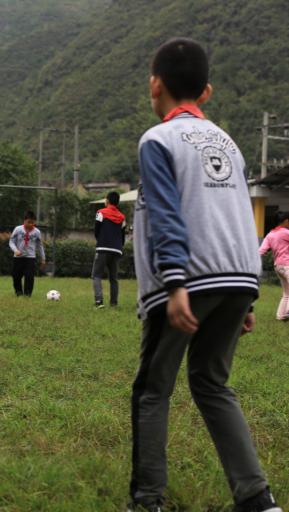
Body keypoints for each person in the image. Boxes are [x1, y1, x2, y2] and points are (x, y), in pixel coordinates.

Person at [128, 38, 280, 512]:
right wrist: (247, 298)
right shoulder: (227, 142)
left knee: (153, 389)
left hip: (188, 280)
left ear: (154, 84)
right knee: (213, 383)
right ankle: (256, 498)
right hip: (238, 276)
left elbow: (168, 214)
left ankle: (148, 500)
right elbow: (236, 212)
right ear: (207, 91)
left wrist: (175, 283)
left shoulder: (158, 140)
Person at [92, 191, 126, 308]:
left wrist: (100, 240)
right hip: (117, 250)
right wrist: (119, 247)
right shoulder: (122, 217)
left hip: (102, 248)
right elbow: (122, 236)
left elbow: (96, 230)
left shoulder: (100, 213)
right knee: (114, 278)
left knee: (96, 275)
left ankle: (99, 301)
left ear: (107, 200)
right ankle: (114, 303)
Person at [259, 211, 289, 321]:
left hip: (278, 267)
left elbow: (261, 251)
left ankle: (281, 316)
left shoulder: (270, 234)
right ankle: (287, 312)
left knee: (286, 294)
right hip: (287, 265)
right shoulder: (286, 233)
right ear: (286, 221)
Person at [8, 211, 45, 297]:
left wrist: (43, 258)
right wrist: (15, 250)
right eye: (29, 222)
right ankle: (19, 293)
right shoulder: (18, 229)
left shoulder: (37, 232)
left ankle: (27, 295)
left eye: (33, 222)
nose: (30, 224)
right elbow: (11, 242)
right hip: (18, 257)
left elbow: (40, 246)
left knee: (29, 277)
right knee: (16, 276)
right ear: (24, 221)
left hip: (30, 258)